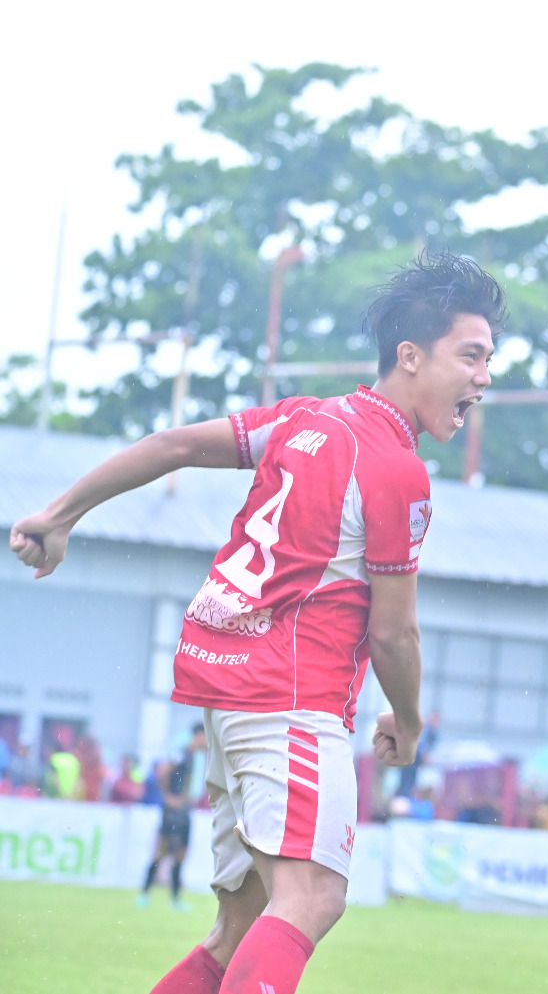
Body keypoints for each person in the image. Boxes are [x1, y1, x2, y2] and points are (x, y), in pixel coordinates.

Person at [9, 251, 501, 994]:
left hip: (224, 687)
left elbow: (173, 444)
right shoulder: (396, 469)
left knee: (239, 927)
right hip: (289, 698)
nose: (483, 378)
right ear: (410, 355)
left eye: (488, 360)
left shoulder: (304, 416)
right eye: (471, 355)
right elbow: (395, 633)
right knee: (313, 896)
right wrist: (408, 718)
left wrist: (58, 512)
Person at [139, 723, 207, 910]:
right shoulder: (181, 753)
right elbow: (162, 772)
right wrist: (168, 796)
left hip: (184, 811)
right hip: (172, 812)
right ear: (199, 735)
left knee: (180, 855)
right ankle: (144, 894)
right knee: (161, 852)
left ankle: (175, 898)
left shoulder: (195, 756)